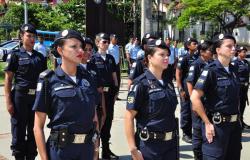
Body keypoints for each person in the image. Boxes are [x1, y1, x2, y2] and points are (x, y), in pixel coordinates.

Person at [33, 30, 99, 160]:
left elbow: (94, 119)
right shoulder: (49, 80)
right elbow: (37, 127)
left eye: (81, 47)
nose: (80, 51)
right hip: (61, 151)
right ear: (60, 50)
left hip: (86, 149)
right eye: (74, 46)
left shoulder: (89, 78)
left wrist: (96, 151)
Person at [125, 39, 178, 160]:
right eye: (161, 55)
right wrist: (133, 149)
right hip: (150, 146)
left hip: (170, 145)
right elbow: (129, 117)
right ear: (150, 57)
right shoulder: (140, 84)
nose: (166, 58)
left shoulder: (168, 83)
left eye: (167, 55)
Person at [191, 34, 242, 160]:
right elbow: (194, 97)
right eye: (229, 46)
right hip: (218, 127)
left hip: (234, 127)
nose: (233, 49)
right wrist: (207, 123)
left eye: (234, 46)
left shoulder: (234, 69)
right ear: (218, 50)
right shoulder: (210, 70)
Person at [4, 24, 47, 160]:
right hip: (20, 98)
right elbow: (8, 80)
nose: (32, 38)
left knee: (34, 129)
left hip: (36, 98)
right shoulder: (15, 55)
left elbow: (44, 80)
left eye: (34, 36)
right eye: (29, 35)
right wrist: (9, 102)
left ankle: (31, 157)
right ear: (21, 36)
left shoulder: (40, 57)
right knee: (19, 130)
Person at [90, 33, 119, 160]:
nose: (106, 44)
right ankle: (94, 153)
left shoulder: (111, 58)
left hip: (109, 94)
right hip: (98, 96)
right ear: (97, 43)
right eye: (104, 42)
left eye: (108, 42)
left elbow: (114, 76)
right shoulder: (93, 58)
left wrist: (116, 90)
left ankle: (106, 151)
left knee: (108, 123)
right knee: (98, 123)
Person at [186, 40, 213, 160]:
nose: (212, 52)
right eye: (209, 50)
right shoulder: (196, 64)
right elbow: (189, 82)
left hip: (209, 103)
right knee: (197, 131)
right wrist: (193, 102)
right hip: (198, 101)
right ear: (202, 52)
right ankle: (198, 155)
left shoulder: (212, 63)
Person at [81, 36, 106, 160]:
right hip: (81, 113)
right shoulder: (74, 68)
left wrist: (103, 111)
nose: (88, 52)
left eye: (90, 50)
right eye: (85, 49)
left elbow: (100, 90)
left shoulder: (93, 67)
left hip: (95, 110)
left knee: (96, 138)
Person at [176, 37, 198, 143]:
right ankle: (186, 133)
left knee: (195, 110)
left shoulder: (198, 57)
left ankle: (193, 132)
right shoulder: (184, 58)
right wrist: (180, 89)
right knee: (186, 111)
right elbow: (178, 74)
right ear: (188, 45)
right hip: (185, 87)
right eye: (194, 43)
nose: (196, 45)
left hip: (195, 88)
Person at [232, 46, 250, 130]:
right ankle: (237, 123)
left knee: (243, 104)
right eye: (243, 51)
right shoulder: (235, 62)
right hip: (239, 86)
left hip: (245, 87)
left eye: (245, 52)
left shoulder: (246, 62)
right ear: (238, 53)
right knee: (237, 105)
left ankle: (241, 121)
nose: (245, 53)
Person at [108, 34, 122, 100]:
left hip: (117, 65)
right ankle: (112, 94)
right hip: (111, 65)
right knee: (112, 80)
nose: (116, 40)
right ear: (111, 39)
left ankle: (116, 95)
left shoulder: (117, 47)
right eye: (115, 38)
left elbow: (119, 56)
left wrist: (120, 64)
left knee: (118, 80)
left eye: (116, 38)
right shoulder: (108, 47)